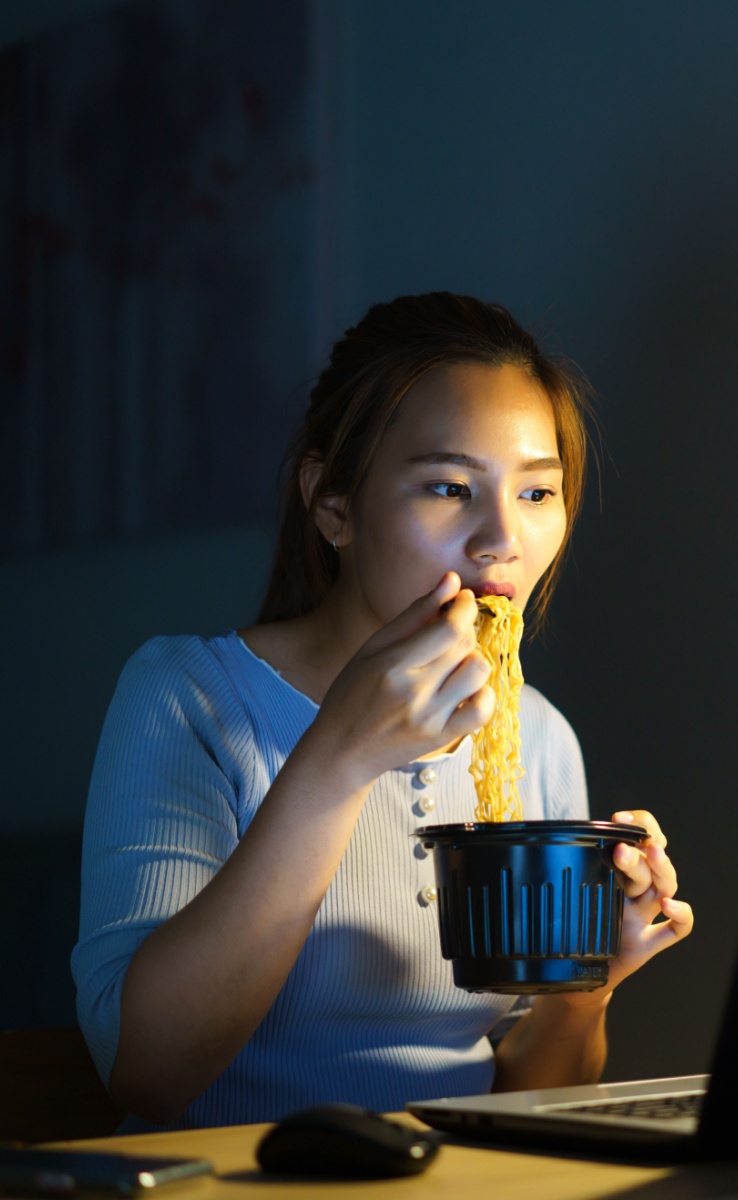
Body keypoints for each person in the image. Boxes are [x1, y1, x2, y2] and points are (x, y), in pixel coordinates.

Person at [71, 293, 693, 1130]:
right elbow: (144, 1073)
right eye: (449, 486)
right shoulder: (189, 697)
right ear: (333, 504)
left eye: (539, 494)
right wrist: (340, 755)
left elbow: (532, 1108)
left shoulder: (536, 734)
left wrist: (588, 988)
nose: (501, 539)